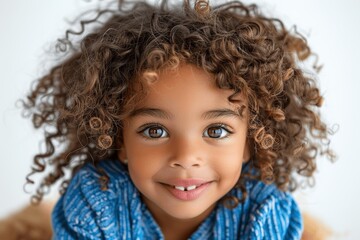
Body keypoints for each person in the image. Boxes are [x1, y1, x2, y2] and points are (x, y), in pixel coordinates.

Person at [22, 0, 335, 239]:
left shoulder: (263, 213)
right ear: (120, 140)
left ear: (250, 142)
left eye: (216, 130)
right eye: (155, 130)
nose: (186, 158)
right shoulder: (94, 203)